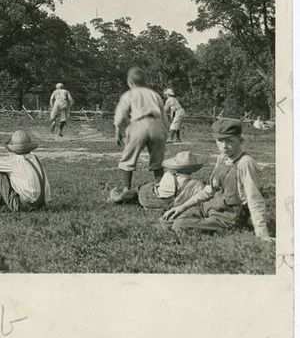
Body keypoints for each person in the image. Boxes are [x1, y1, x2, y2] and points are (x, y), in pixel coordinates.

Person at [161, 119, 273, 242]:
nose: (224, 146)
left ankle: (230, 229)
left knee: (179, 225)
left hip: (228, 216)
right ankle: (198, 221)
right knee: (167, 220)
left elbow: (254, 199)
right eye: (220, 141)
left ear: (240, 140)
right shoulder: (222, 158)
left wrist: (261, 232)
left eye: (229, 141)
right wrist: (181, 207)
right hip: (210, 208)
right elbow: (209, 190)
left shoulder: (245, 163)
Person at [109, 67, 168, 204]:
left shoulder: (129, 94)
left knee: (128, 157)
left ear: (130, 82)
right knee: (157, 159)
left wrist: (118, 129)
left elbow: (121, 113)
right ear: (145, 81)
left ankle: (125, 189)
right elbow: (164, 114)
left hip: (139, 124)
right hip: (156, 124)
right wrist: (165, 130)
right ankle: (160, 188)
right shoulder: (154, 94)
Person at [137, 151, 205, 211]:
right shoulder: (197, 185)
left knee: (147, 186)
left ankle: (132, 193)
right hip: (170, 204)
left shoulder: (168, 175)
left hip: (151, 199)